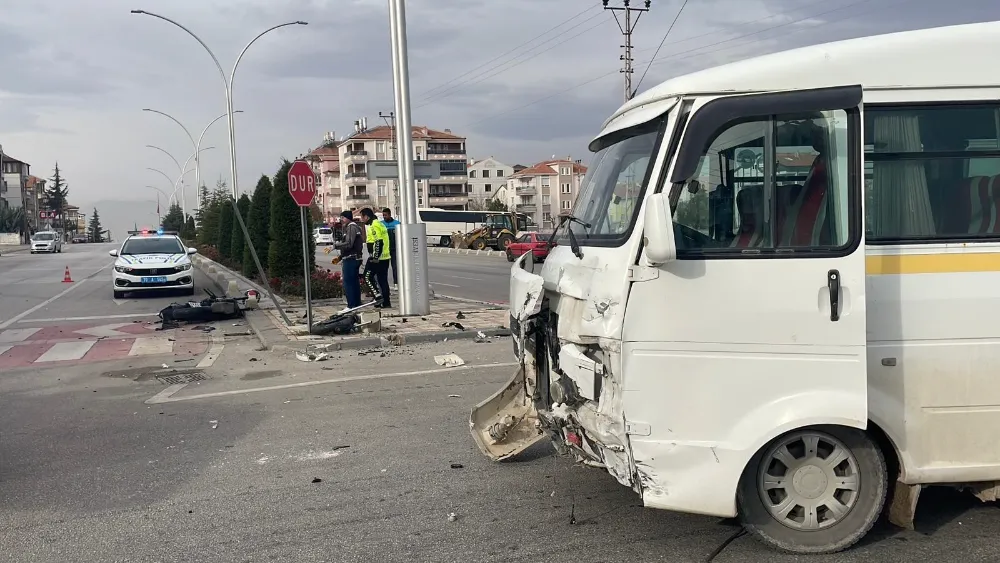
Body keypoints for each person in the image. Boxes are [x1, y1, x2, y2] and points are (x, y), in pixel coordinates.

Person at [360, 207, 392, 308]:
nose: (362, 219)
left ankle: (377, 297)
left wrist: (375, 257)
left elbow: (379, 242)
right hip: (385, 257)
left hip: (378, 258)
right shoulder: (380, 224)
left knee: (367, 276)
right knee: (383, 280)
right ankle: (386, 302)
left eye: (362, 217)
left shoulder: (374, 225)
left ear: (367, 216)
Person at [333, 210, 363, 309]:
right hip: (353, 257)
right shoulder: (352, 227)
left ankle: (351, 305)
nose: (341, 220)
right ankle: (356, 303)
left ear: (348, 218)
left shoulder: (351, 227)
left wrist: (336, 246)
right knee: (354, 281)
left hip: (351, 258)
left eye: (343, 217)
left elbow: (349, 243)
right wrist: (340, 257)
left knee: (348, 282)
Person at [381, 207, 400, 290]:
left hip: (394, 249)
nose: (384, 217)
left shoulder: (397, 224)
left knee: (395, 267)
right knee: (384, 268)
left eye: (385, 215)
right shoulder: (381, 224)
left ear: (390, 215)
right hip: (385, 249)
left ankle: (396, 283)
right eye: (383, 215)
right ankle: (384, 284)